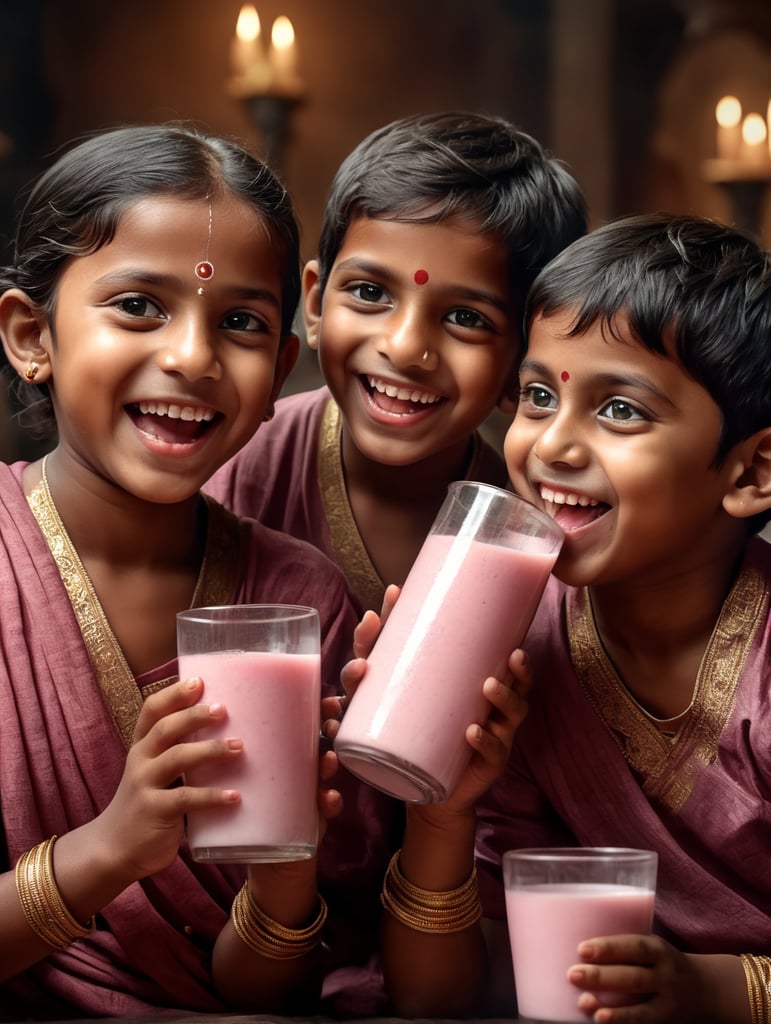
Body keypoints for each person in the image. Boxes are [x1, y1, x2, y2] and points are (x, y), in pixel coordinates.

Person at [0, 123, 400, 1020]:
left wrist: (288, 861)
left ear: (278, 375)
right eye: (139, 306)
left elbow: (277, 985)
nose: (192, 355)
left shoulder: (300, 605)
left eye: (241, 323)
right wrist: (111, 848)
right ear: (31, 335)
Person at [363, 213, 771, 1023]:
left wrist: (716, 991)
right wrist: (440, 802)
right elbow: (444, 995)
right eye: (538, 395)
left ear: (752, 471)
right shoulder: (521, 642)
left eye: (619, 411)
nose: (551, 445)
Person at [206, 110, 587, 614]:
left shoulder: (528, 532)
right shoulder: (236, 464)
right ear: (315, 305)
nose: (406, 347)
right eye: (370, 292)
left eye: (465, 318)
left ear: (522, 366)